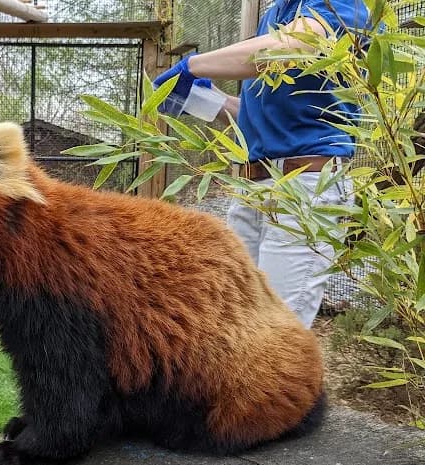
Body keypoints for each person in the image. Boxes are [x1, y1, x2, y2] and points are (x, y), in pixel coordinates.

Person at [151, 0, 371, 328]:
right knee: (233, 320)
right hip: (253, 185)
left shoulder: (336, 4)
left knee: (278, 330)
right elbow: (254, 114)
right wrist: (203, 100)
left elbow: (292, 46)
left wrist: (193, 65)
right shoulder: (275, 13)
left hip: (306, 185)